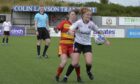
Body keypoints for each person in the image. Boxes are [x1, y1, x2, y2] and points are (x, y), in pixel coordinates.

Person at [62, 8, 110, 82]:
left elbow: (99, 31)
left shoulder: (91, 24)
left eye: (90, 15)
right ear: (83, 15)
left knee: (89, 62)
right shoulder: (78, 22)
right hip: (78, 44)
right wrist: (70, 32)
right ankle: (65, 77)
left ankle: (88, 71)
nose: (89, 16)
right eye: (87, 14)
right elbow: (70, 29)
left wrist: (105, 40)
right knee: (74, 63)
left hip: (87, 45)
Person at [54, 10, 83, 83]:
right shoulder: (64, 22)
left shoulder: (76, 25)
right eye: (72, 14)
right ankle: (57, 75)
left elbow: (79, 35)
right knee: (64, 62)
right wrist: (56, 29)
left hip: (71, 46)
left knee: (76, 63)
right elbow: (57, 30)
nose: (73, 16)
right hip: (63, 45)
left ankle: (79, 77)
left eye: (74, 14)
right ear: (68, 15)